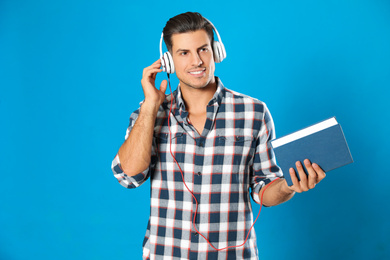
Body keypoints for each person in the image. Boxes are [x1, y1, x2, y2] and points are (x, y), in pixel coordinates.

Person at [111, 12, 326, 260]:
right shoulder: (148, 115)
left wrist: (289, 186)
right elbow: (128, 177)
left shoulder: (254, 112)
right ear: (168, 61)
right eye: (184, 53)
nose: (196, 61)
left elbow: (263, 189)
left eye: (203, 49)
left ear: (216, 51)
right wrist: (150, 106)